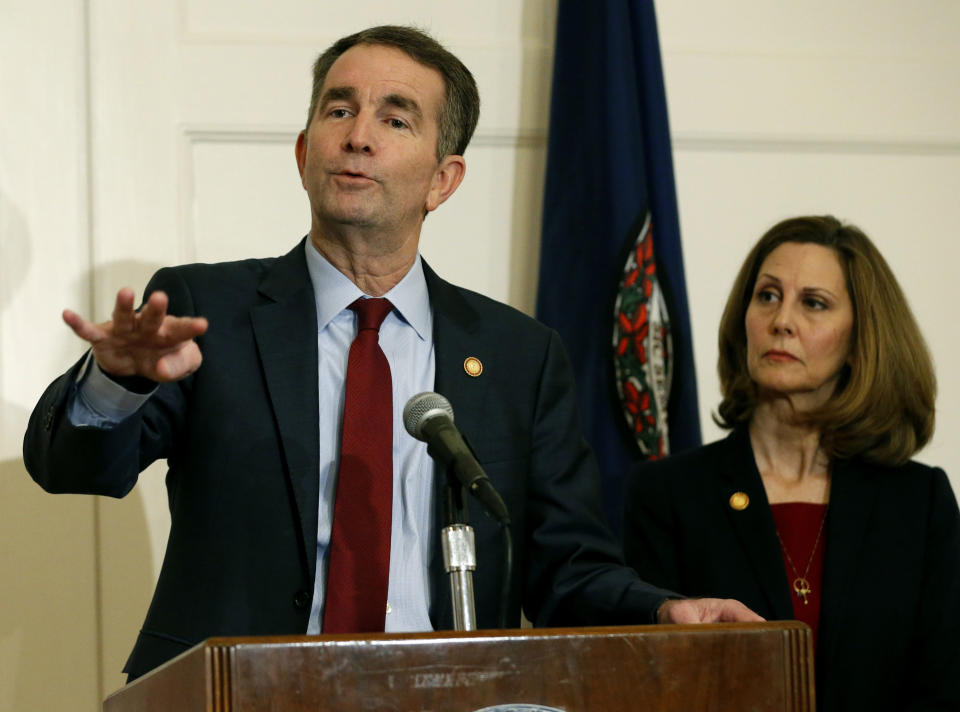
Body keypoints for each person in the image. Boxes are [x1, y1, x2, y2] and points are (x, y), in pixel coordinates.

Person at [24, 25, 758, 681]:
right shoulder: (207, 311)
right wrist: (118, 381)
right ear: (305, 151)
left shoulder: (516, 356)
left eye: (395, 117)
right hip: (239, 695)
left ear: (444, 179)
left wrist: (663, 610)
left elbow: (566, 563)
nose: (359, 135)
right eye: (339, 110)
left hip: (447, 695)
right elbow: (74, 470)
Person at [623, 215, 960, 711]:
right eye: (767, 296)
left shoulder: (918, 500)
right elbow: (650, 683)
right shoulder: (668, 494)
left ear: (860, 340)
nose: (782, 321)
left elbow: (944, 685)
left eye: (814, 304)